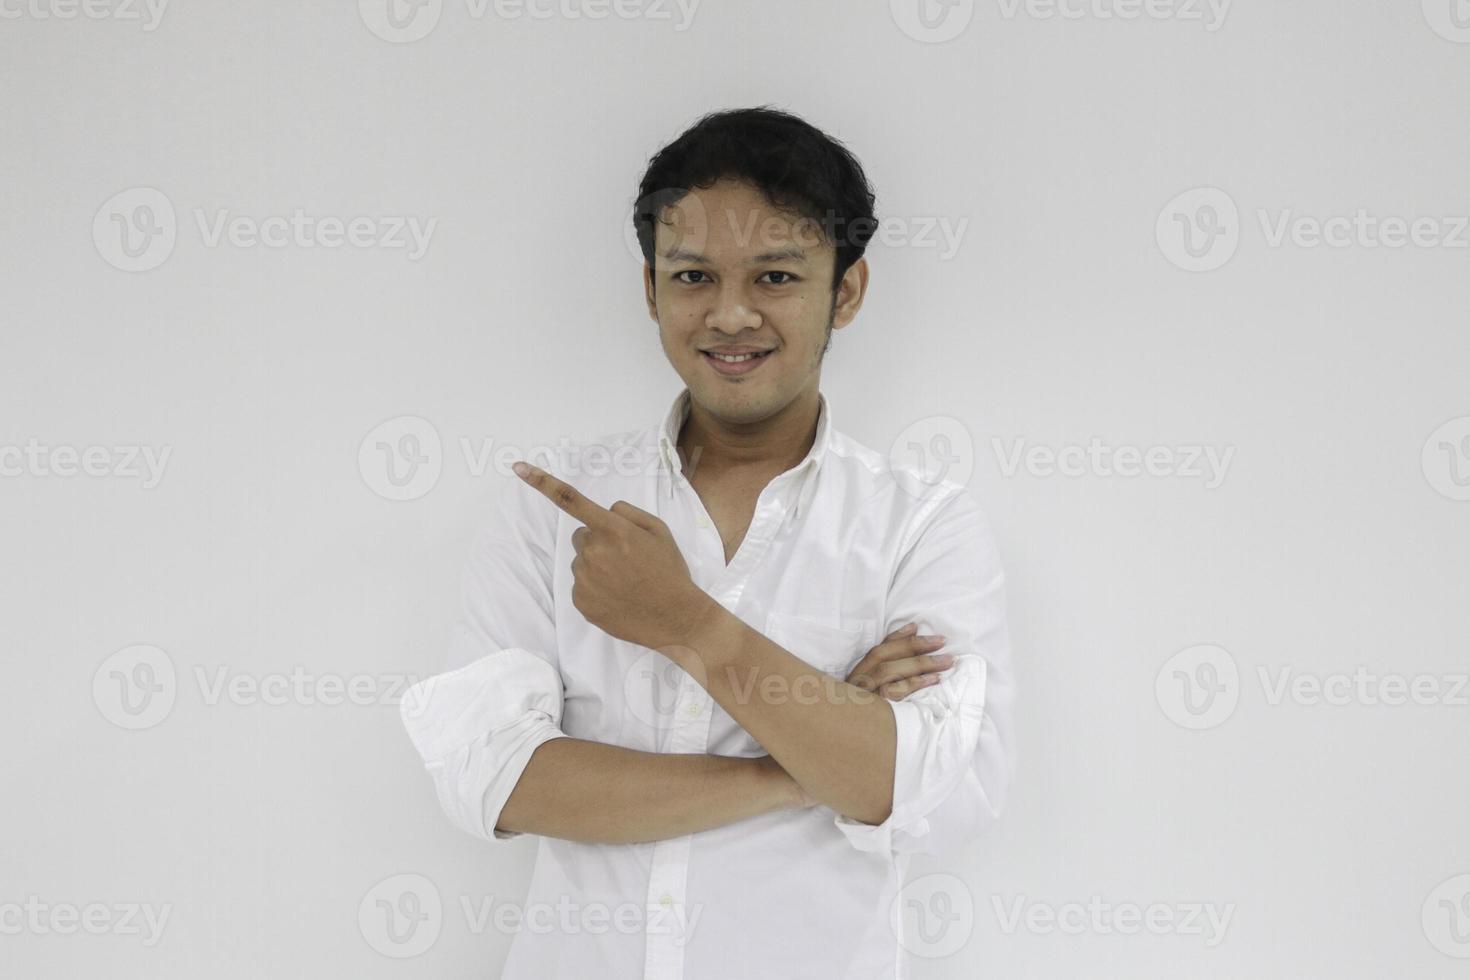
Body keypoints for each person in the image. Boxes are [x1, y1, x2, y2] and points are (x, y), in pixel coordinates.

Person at [399, 105, 1015, 979]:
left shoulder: (919, 525)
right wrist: (801, 764)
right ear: (650, 289)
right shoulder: (555, 507)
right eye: (693, 277)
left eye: (774, 277)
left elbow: (931, 795)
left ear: (845, 289)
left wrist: (683, 620)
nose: (730, 315)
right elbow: (498, 781)